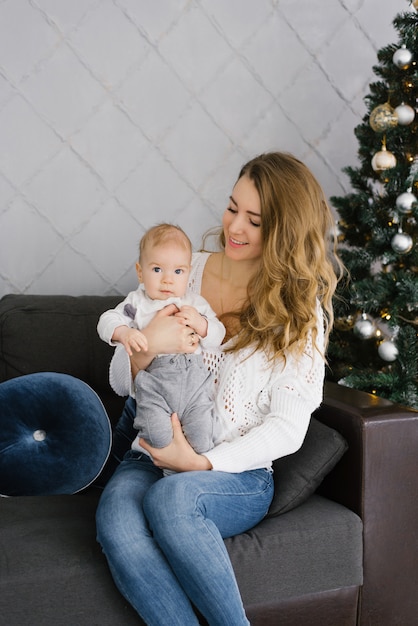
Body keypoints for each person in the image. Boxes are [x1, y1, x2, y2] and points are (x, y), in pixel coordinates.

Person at [96, 152, 342, 626]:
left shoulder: (299, 313)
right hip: (150, 451)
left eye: (254, 220)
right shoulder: (187, 271)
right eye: (232, 208)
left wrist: (200, 463)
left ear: (284, 233)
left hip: (236, 474)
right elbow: (122, 382)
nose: (234, 226)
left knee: (173, 500)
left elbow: (288, 428)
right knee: (116, 524)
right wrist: (146, 350)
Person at [97, 223, 225, 466]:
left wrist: (202, 324)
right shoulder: (136, 303)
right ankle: (167, 470)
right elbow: (106, 320)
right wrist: (124, 332)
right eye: (157, 269)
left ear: (189, 273)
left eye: (178, 271)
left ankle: (188, 472)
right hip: (154, 386)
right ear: (140, 272)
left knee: (201, 439)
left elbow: (218, 335)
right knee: (157, 436)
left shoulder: (195, 303)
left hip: (195, 386)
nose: (167, 279)